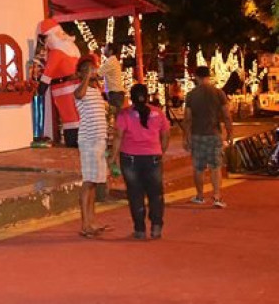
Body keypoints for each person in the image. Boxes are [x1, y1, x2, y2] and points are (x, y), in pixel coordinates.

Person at [111, 84, 171, 240]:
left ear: (130, 97)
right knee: (156, 193)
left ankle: (140, 229)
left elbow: (118, 136)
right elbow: (166, 135)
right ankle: (156, 226)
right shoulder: (158, 113)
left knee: (135, 193)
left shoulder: (124, 114)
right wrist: (160, 151)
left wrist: (112, 157)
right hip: (153, 157)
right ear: (148, 96)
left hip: (130, 158)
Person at [182, 65, 233, 208]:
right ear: (208, 76)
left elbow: (187, 118)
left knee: (198, 167)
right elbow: (226, 115)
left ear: (196, 77)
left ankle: (199, 196)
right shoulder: (219, 93)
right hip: (214, 134)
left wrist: (186, 136)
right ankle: (217, 197)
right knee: (215, 167)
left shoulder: (191, 95)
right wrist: (230, 132)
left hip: (197, 135)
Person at [73, 58, 110, 237]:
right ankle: (85, 224)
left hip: (99, 140)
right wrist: (86, 77)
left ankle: (91, 221)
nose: (92, 72)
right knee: (88, 182)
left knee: (94, 182)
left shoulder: (96, 90)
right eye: (87, 70)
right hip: (88, 141)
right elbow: (78, 95)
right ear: (81, 73)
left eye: (92, 69)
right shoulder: (81, 90)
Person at [36, 19, 82, 147]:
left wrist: (42, 88)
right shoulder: (73, 49)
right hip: (77, 86)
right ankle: (79, 140)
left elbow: (49, 71)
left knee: (69, 117)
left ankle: (72, 141)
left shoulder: (56, 52)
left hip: (63, 89)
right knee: (77, 115)